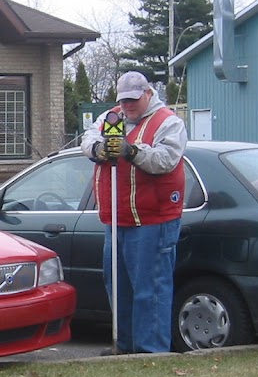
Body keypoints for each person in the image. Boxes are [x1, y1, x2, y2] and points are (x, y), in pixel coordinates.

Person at [80, 71, 187, 355]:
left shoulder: (169, 123)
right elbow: (87, 138)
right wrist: (99, 149)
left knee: (149, 290)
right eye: (123, 100)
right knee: (119, 288)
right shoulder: (111, 118)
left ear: (148, 94)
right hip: (116, 220)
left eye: (133, 100)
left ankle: (150, 352)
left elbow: (166, 159)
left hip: (152, 221)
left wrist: (132, 152)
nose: (127, 106)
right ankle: (124, 347)